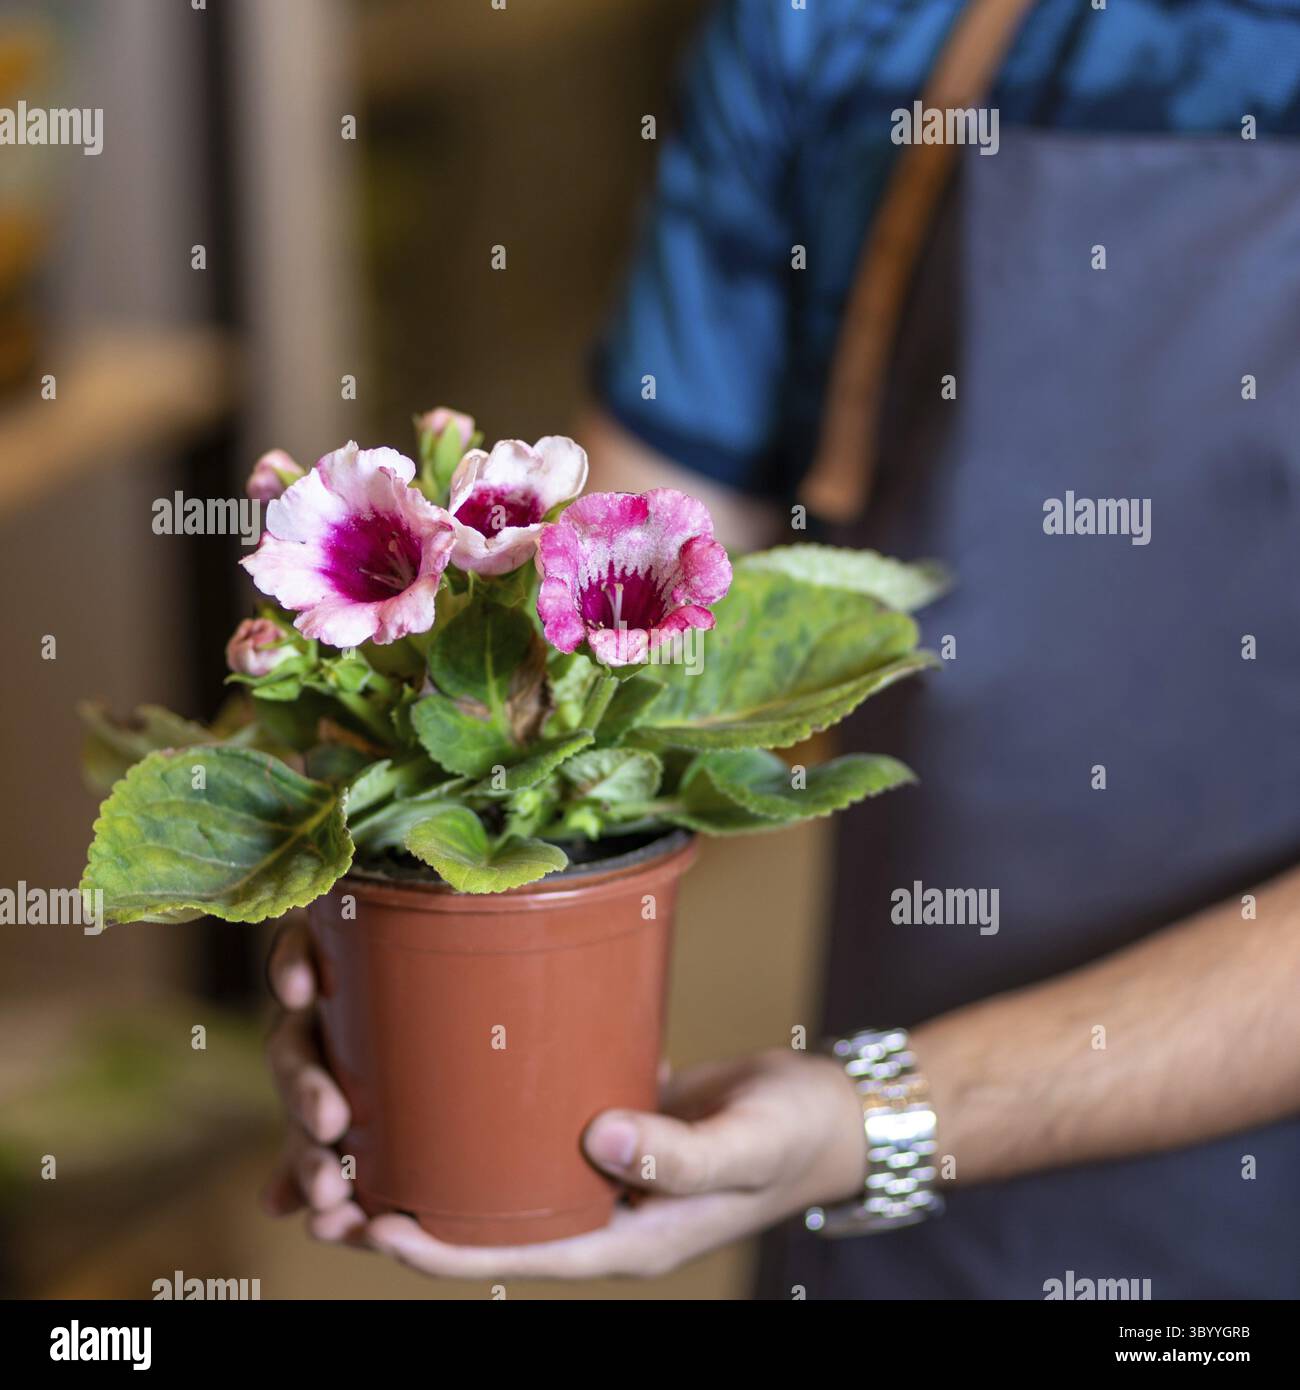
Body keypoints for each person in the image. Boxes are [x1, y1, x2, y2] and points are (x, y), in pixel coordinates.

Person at [264, 0, 1300, 1296]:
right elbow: (611, 567)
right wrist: (374, 914)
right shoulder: (837, 30)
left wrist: (883, 1120)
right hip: (887, 1196)